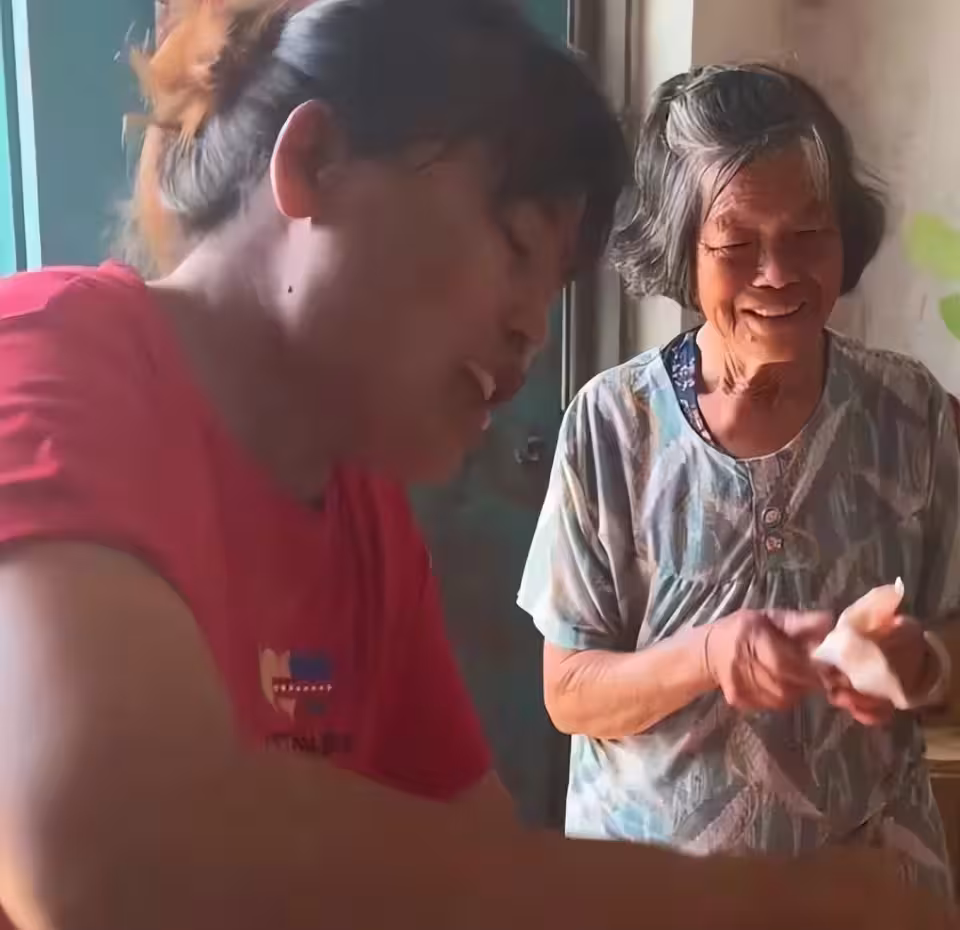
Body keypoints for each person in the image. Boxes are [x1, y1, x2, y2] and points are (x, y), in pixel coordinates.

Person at [0, 3, 952, 925]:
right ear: (317, 162)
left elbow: (477, 850)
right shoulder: (48, 363)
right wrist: (769, 907)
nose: (531, 329)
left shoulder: (362, 519)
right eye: (515, 249)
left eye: (551, 288)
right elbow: (108, 860)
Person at [520, 60, 960, 898]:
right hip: (657, 895)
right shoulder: (613, 424)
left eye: (809, 234)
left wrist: (924, 664)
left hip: (869, 892)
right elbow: (570, 693)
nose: (777, 273)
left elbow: (953, 635)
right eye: (736, 245)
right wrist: (709, 653)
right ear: (681, 251)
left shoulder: (910, 413)